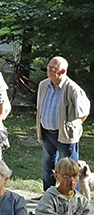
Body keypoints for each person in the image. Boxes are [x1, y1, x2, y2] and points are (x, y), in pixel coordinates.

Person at [36, 56, 90, 190]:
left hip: (64, 135)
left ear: (63, 72)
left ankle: (72, 197)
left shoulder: (73, 89)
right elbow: (39, 106)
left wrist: (72, 127)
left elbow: (83, 112)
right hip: (47, 132)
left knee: (69, 168)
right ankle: (48, 194)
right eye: (49, 67)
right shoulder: (43, 85)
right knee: (47, 165)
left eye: (54, 68)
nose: (49, 70)